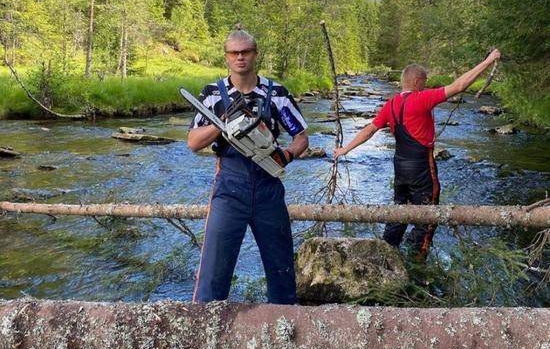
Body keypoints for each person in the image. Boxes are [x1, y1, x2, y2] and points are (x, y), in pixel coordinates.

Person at [334, 49, 501, 257]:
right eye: (425, 81)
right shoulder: (423, 99)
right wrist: (488, 60)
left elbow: (369, 130)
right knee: (428, 217)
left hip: (400, 168)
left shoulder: (391, 104)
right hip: (422, 168)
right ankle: (416, 264)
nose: (426, 84)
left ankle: (387, 254)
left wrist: (345, 149)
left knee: (399, 212)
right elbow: (460, 85)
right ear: (416, 82)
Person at [188, 28, 309, 304]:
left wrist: (287, 155)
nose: (240, 57)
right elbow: (193, 142)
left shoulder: (276, 93)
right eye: (234, 53)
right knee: (213, 272)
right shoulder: (211, 95)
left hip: (268, 187)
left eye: (245, 52)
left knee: (281, 268)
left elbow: (301, 137)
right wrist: (221, 125)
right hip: (230, 188)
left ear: (255, 54)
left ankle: (283, 325)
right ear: (226, 57)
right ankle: (206, 329)